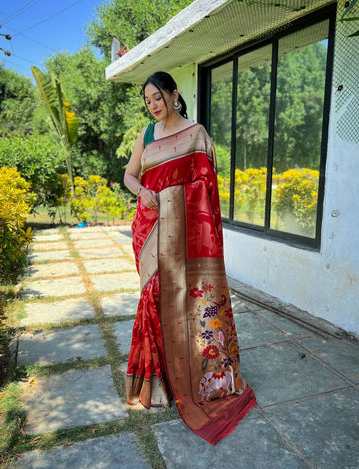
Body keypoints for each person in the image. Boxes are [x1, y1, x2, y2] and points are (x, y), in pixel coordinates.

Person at [124, 71, 256, 445]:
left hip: (189, 235)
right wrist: (143, 192)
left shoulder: (196, 133)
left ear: (174, 94)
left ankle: (203, 376)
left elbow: (207, 184)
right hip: (151, 231)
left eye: (158, 97)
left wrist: (177, 197)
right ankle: (159, 381)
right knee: (155, 300)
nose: (153, 105)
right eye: (148, 100)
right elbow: (130, 175)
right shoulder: (146, 136)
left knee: (193, 304)